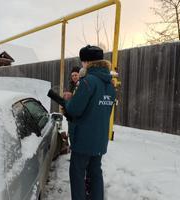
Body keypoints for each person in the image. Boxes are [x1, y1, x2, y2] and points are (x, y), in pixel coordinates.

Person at [64, 45, 116, 200]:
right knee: (95, 172)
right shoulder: (110, 85)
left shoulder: (87, 82)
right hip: (100, 139)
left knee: (78, 174)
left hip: (83, 139)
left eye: (82, 62)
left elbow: (74, 110)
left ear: (87, 62)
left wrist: (68, 101)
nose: (81, 66)